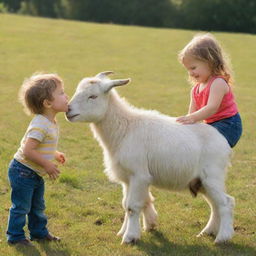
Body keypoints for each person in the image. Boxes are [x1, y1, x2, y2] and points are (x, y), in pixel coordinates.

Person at [6, 73, 69, 246]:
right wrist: (47, 164)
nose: (67, 96)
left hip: (32, 173)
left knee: (37, 206)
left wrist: (54, 154)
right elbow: (28, 150)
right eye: (62, 93)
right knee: (21, 207)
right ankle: (15, 237)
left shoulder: (50, 121)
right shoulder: (40, 124)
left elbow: (40, 146)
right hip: (22, 171)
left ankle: (39, 233)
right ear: (47, 103)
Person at [176, 33, 242, 148]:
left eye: (193, 68)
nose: (191, 73)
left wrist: (192, 118)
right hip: (212, 124)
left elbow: (211, 108)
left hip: (228, 124)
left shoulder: (218, 83)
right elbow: (192, 114)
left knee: (205, 145)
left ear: (210, 62)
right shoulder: (195, 89)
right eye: (188, 69)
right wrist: (186, 123)